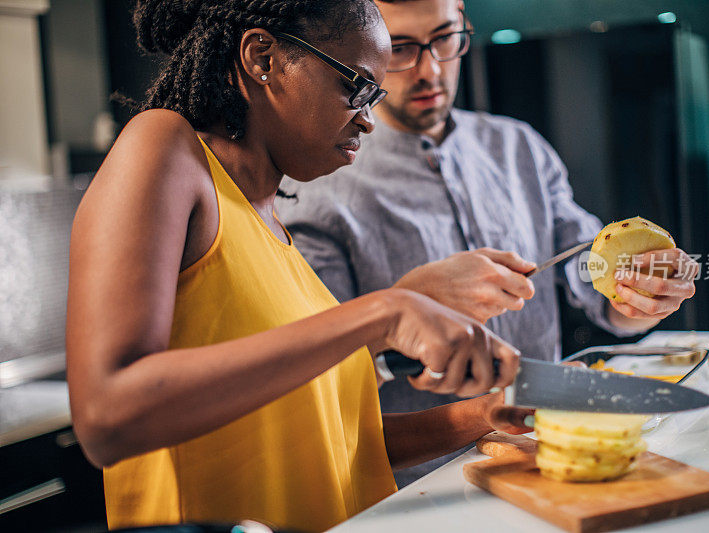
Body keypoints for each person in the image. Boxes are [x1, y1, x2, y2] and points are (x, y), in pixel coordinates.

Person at [65, 1, 534, 531]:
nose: (368, 119)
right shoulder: (165, 148)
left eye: (376, 96)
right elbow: (108, 417)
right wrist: (385, 313)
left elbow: (323, 441)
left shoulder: (273, 226)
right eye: (355, 87)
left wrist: (482, 416)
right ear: (261, 56)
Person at [276, 0, 698, 486]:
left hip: (557, 459)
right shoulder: (315, 187)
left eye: (445, 39)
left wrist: (639, 294)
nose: (430, 70)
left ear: (464, 25)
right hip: (420, 488)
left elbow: (584, 266)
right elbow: (316, 370)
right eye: (401, 49)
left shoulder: (520, 148)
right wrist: (404, 305)